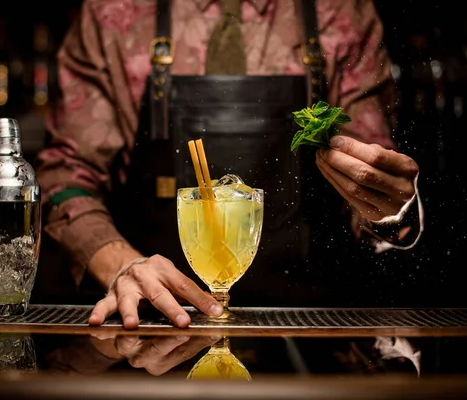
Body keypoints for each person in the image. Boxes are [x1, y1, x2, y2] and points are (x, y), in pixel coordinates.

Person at [35, 0, 423, 330]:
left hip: (305, 324)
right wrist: (120, 263)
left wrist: (388, 209)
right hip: (158, 328)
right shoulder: (115, 12)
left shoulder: (338, 10)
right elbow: (64, 177)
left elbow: (378, 180)